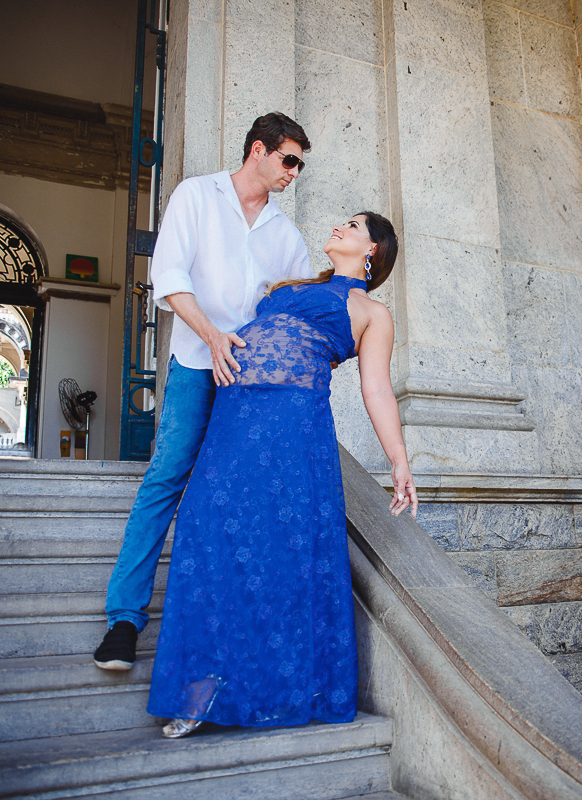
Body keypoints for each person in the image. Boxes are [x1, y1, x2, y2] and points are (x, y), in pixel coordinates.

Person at [147, 211, 418, 738]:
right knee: (206, 531)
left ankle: (264, 690)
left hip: (292, 428)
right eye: (343, 221)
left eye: (354, 225)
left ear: (373, 251)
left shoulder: (371, 312)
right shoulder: (291, 284)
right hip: (234, 417)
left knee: (277, 550)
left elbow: (376, 389)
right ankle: (200, 688)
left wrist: (399, 460)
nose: (340, 226)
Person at [93, 113, 314, 671]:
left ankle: (229, 634)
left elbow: (294, 309)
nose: (294, 173)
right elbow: (170, 278)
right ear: (258, 150)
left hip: (251, 380)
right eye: (289, 160)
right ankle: (123, 620)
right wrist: (213, 337)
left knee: (239, 497)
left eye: (300, 165)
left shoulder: (287, 236)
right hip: (197, 361)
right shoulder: (196, 196)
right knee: (166, 477)